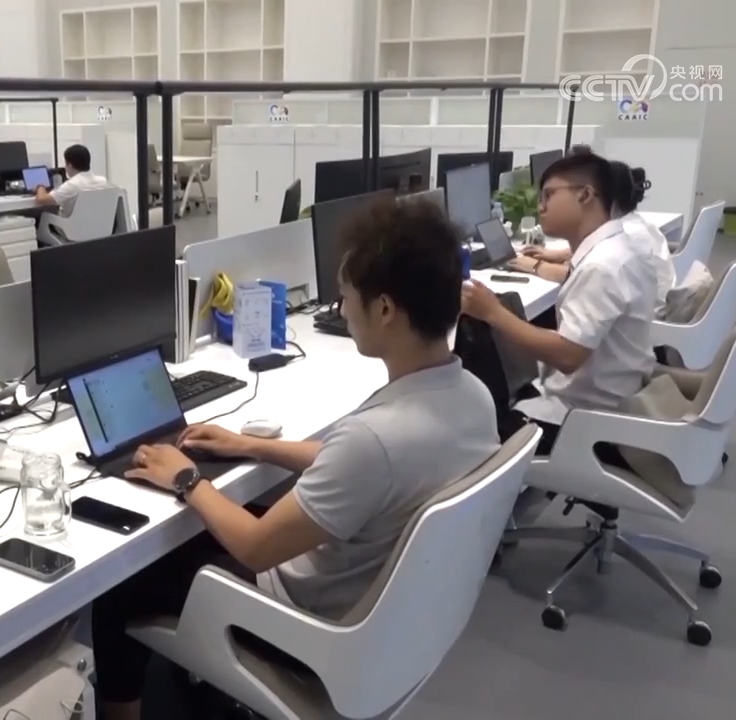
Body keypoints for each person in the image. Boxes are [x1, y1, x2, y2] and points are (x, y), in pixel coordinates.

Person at [91, 196, 501, 720]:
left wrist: (187, 479)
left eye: (346, 296)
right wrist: (252, 445)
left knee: (123, 582)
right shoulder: (471, 397)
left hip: (308, 627)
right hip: (388, 618)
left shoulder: (373, 440)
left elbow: (256, 546)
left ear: (384, 310)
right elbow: (363, 466)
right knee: (210, 523)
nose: (341, 309)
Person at [461, 151, 656, 462]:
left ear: (585, 195)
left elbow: (567, 356)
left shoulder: (602, 267)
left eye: (549, 195)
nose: (541, 206)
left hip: (586, 423)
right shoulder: (616, 248)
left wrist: (492, 312)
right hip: (610, 397)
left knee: (468, 432)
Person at [510, 162, 674, 316]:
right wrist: (560, 255)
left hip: (653, 322)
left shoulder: (628, 234)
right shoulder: (633, 225)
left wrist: (535, 266)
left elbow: (581, 276)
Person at [34, 143, 110, 215]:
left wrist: (40, 187)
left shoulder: (71, 185)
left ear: (69, 165)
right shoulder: (102, 181)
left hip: (68, 223)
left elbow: (41, 200)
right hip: (94, 223)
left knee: (44, 216)